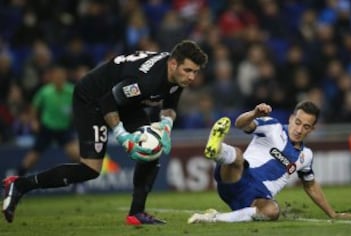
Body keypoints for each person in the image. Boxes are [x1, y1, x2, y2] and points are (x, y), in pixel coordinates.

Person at [2, 40, 208, 225]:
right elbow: (108, 101)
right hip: (93, 99)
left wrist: (165, 128)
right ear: (173, 64)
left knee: (152, 149)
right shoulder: (147, 81)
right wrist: (122, 135)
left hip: (127, 103)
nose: (192, 77)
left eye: (195, 72)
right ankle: (20, 185)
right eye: (188, 70)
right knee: (90, 169)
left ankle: (136, 212)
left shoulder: (176, 76)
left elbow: (169, 106)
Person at [188, 101, 351, 223]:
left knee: (272, 211)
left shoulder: (306, 156)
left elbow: (310, 185)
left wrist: (333, 214)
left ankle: (213, 218)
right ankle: (217, 150)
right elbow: (240, 124)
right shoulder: (272, 126)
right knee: (238, 157)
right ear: (291, 118)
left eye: (306, 126)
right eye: (297, 122)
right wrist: (254, 113)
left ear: (312, 129)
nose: (299, 129)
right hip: (238, 177)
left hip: (256, 197)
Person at [16, 65, 79, 176]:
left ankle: (79, 186)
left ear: (65, 77)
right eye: (57, 76)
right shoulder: (45, 92)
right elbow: (34, 107)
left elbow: (78, 107)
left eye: (62, 76)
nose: (59, 78)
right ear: (53, 77)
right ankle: (15, 181)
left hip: (64, 129)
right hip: (47, 128)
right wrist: (34, 121)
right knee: (32, 158)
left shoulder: (71, 90)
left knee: (76, 155)